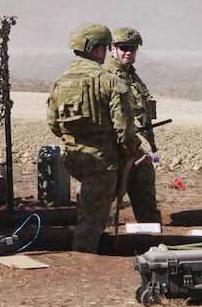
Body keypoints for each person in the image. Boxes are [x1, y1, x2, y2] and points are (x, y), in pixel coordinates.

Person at [47, 23, 138, 253]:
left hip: (74, 158)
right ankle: (83, 259)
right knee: (91, 222)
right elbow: (125, 128)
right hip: (102, 162)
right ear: (98, 49)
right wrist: (129, 154)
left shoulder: (61, 81)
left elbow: (53, 125)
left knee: (89, 210)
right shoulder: (109, 80)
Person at [104, 27, 161, 224]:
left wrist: (149, 148)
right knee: (108, 212)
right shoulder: (105, 77)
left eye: (133, 49)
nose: (129, 52)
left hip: (141, 154)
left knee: (148, 211)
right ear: (112, 48)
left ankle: (153, 248)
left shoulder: (134, 79)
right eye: (123, 47)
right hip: (116, 155)